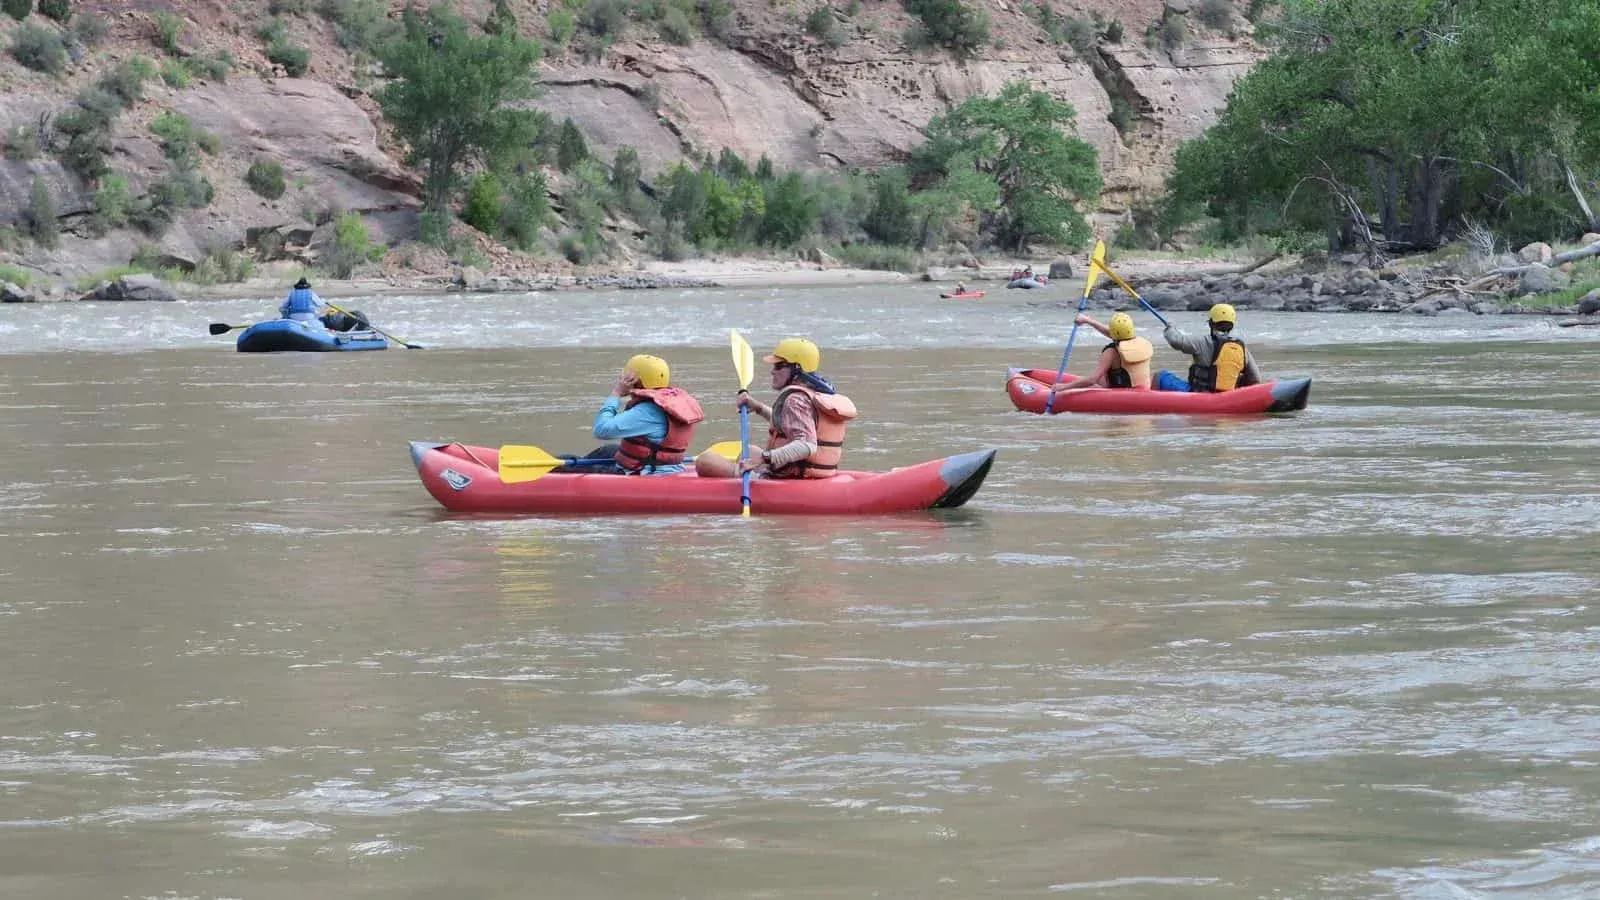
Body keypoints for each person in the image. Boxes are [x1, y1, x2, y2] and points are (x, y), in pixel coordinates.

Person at [695, 337, 857, 480]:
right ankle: (741, 471)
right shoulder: (812, 393)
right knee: (750, 451)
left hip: (792, 476)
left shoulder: (795, 400)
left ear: (796, 369)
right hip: (812, 473)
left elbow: (807, 446)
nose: (773, 371)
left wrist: (765, 457)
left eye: (779, 366)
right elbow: (791, 424)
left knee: (704, 461)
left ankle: (739, 476)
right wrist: (759, 408)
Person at [564, 354, 704, 475]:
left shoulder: (647, 412)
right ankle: (579, 464)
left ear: (636, 381)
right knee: (608, 450)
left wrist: (616, 394)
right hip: (665, 465)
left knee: (565, 461)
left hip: (644, 472)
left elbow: (601, 430)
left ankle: (566, 474)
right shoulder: (672, 403)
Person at [1152, 303, 1263, 392]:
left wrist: (1170, 328)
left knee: (1160, 375)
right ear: (1232, 325)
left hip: (1198, 394)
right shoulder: (1241, 347)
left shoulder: (1203, 342)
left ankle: (1152, 406)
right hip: (1228, 395)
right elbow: (1255, 379)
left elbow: (1176, 341)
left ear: (1211, 324)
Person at [1050, 311, 1154, 392]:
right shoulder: (1141, 343)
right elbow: (1115, 335)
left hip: (1122, 394)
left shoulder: (1111, 352)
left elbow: (1092, 380)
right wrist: (1089, 321)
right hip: (1143, 390)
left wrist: (1064, 387)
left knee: (1094, 382)